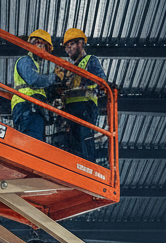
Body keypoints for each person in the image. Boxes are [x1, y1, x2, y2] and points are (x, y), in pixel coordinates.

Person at [61, 28, 108, 162]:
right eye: (66, 47)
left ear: (81, 44)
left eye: (71, 44)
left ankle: (87, 165)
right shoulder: (68, 69)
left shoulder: (90, 60)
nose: (68, 49)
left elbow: (101, 80)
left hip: (85, 106)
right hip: (70, 109)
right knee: (72, 141)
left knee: (84, 137)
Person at [10, 29, 61, 142]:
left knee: (36, 142)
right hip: (27, 105)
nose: (46, 54)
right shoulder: (25, 60)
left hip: (32, 106)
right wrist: (53, 77)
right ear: (37, 43)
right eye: (45, 48)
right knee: (32, 142)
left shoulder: (35, 65)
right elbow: (33, 80)